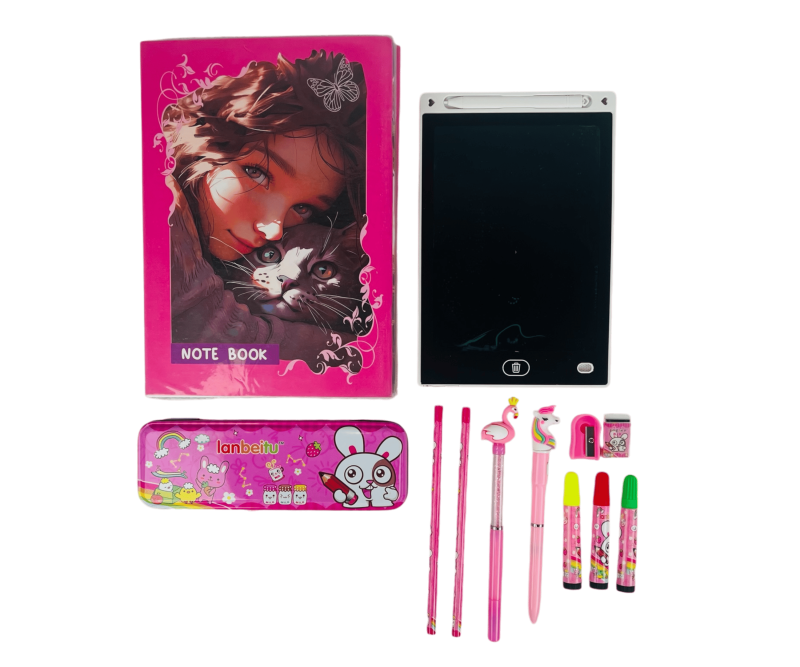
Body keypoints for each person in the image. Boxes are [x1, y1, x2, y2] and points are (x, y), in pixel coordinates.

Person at [160, 50, 367, 371]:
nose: (274, 230)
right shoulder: (165, 208)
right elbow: (221, 338)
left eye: (302, 207)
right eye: (256, 172)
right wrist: (365, 354)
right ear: (208, 140)